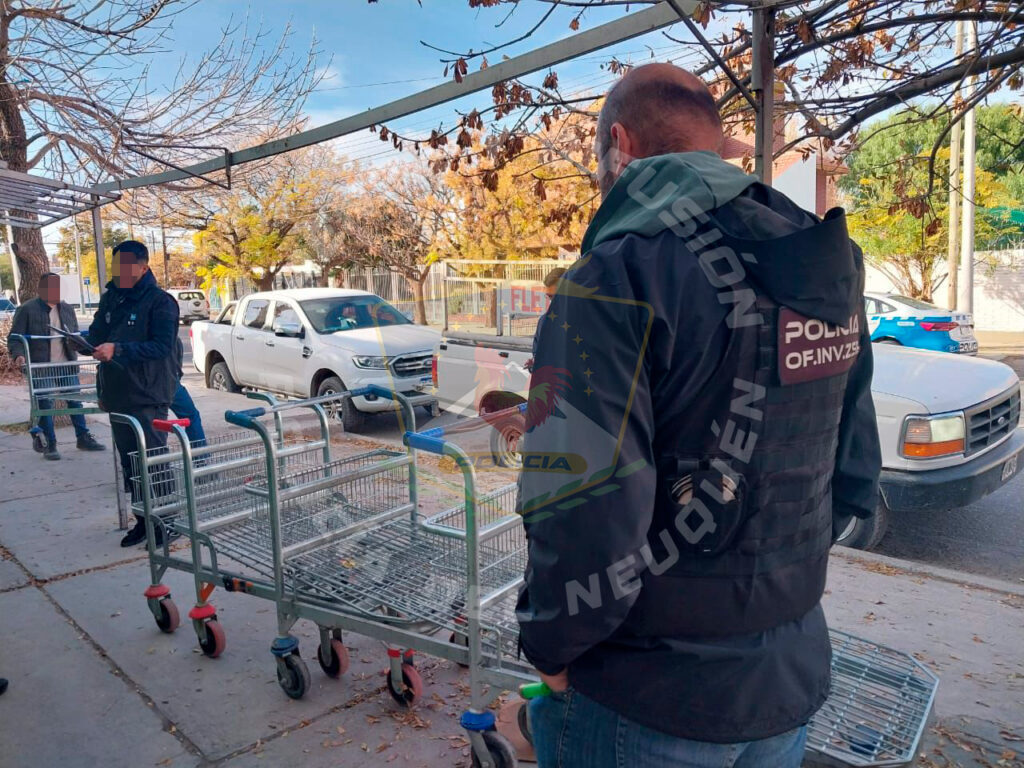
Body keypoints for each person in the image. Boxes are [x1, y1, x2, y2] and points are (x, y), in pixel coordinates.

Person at [516, 63, 881, 768]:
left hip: (645, 695)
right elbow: (852, 470)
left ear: (619, 145)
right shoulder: (824, 259)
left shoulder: (614, 276)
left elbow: (585, 503)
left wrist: (550, 648)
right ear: (718, 150)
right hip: (788, 673)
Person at [88, 240, 181, 548]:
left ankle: (168, 522)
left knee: (153, 462)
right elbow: (99, 334)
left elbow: (161, 346)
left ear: (143, 267)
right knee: (131, 464)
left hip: (148, 394)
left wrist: (120, 349)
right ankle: (143, 521)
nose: (121, 272)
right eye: (117, 266)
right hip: (118, 394)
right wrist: (88, 342)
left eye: (127, 267)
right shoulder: (112, 298)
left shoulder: (160, 302)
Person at [7, 272, 106, 459]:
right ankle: (50, 444)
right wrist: (19, 355)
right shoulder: (27, 309)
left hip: (66, 364)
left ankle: (83, 437)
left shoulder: (67, 309)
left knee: (75, 400)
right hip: (41, 367)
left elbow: (76, 336)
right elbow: (15, 338)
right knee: (45, 403)